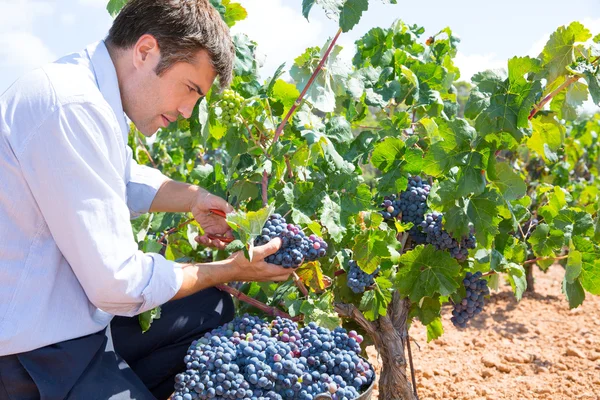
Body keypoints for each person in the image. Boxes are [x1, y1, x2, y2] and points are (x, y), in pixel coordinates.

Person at [0, 1, 292, 399]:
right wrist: (227, 269)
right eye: (190, 89)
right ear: (144, 51)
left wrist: (195, 199)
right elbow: (117, 284)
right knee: (204, 292)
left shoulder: (89, 91)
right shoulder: (71, 107)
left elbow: (121, 178)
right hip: (31, 354)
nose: (189, 111)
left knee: (208, 309)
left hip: (67, 320)